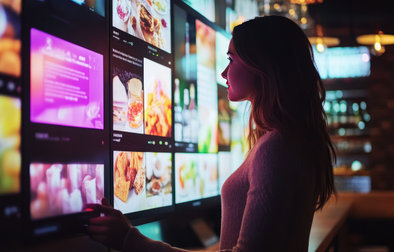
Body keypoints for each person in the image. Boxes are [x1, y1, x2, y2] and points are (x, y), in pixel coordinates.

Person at [85, 15, 336, 252]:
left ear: (261, 64)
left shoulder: (276, 146)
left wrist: (130, 240)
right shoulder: (288, 141)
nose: (224, 73)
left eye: (231, 58)